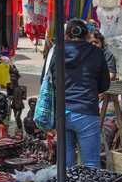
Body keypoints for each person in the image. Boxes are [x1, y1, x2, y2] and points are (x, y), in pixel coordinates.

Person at [45, 19, 110, 168]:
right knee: (91, 164)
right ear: (87, 36)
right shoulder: (97, 52)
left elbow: (46, 79)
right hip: (86, 111)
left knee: (64, 165)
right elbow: (105, 85)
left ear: (66, 36)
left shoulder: (55, 51)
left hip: (62, 112)